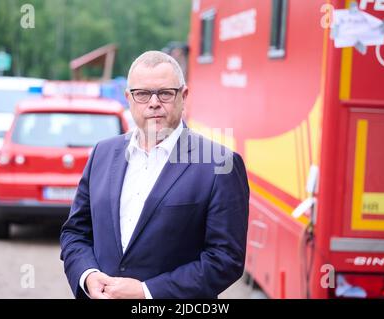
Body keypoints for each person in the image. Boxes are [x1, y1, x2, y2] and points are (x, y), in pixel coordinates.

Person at [60, 50, 249, 299]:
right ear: (128, 97)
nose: (153, 102)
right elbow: (75, 232)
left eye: (165, 93)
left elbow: (225, 260)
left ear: (184, 95)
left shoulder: (220, 164)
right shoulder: (102, 153)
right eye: (142, 94)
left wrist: (146, 292)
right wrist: (87, 275)